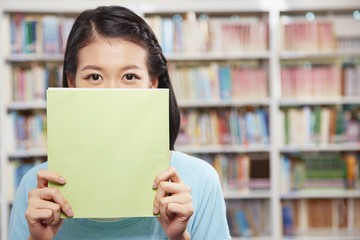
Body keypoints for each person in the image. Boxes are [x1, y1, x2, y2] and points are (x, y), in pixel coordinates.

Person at [9, 6, 231, 240]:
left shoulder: (200, 180)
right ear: (71, 83)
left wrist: (178, 237)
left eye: (129, 76)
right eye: (94, 77)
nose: (112, 92)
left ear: (152, 84)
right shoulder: (37, 188)